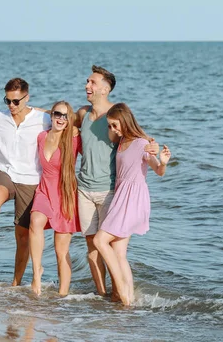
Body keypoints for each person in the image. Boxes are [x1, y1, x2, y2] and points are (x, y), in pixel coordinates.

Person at [74, 65, 158, 297]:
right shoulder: (82, 114)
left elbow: (135, 136)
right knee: (92, 248)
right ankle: (103, 296)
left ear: (105, 88)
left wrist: (153, 148)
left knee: (111, 247)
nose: (86, 86)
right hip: (84, 190)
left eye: (92, 82)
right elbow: (58, 116)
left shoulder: (115, 116)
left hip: (112, 191)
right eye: (87, 81)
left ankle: (119, 295)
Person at [93, 103, 171, 306]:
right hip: (121, 197)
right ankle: (129, 300)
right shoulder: (122, 142)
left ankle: (122, 293)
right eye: (110, 126)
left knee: (100, 241)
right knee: (119, 253)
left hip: (132, 199)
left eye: (115, 125)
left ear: (125, 122)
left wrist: (162, 160)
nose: (112, 130)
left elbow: (159, 171)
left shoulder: (140, 143)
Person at [0, 78, 51, 286]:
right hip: (6, 171)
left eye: (16, 101)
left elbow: (66, 121)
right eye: (7, 100)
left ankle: (16, 283)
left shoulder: (43, 119)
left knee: (23, 236)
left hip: (31, 178)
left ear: (27, 98)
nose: (11, 106)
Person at [29, 101, 81, 296]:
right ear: (51, 115)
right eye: (57, 114)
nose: (61, 118)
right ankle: (36, 274)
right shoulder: (42, 136)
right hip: (44, 190)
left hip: (66, 193)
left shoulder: (74, 139)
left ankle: (62, 295)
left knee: (61, 250)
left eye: (65, 116)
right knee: (35, 222)